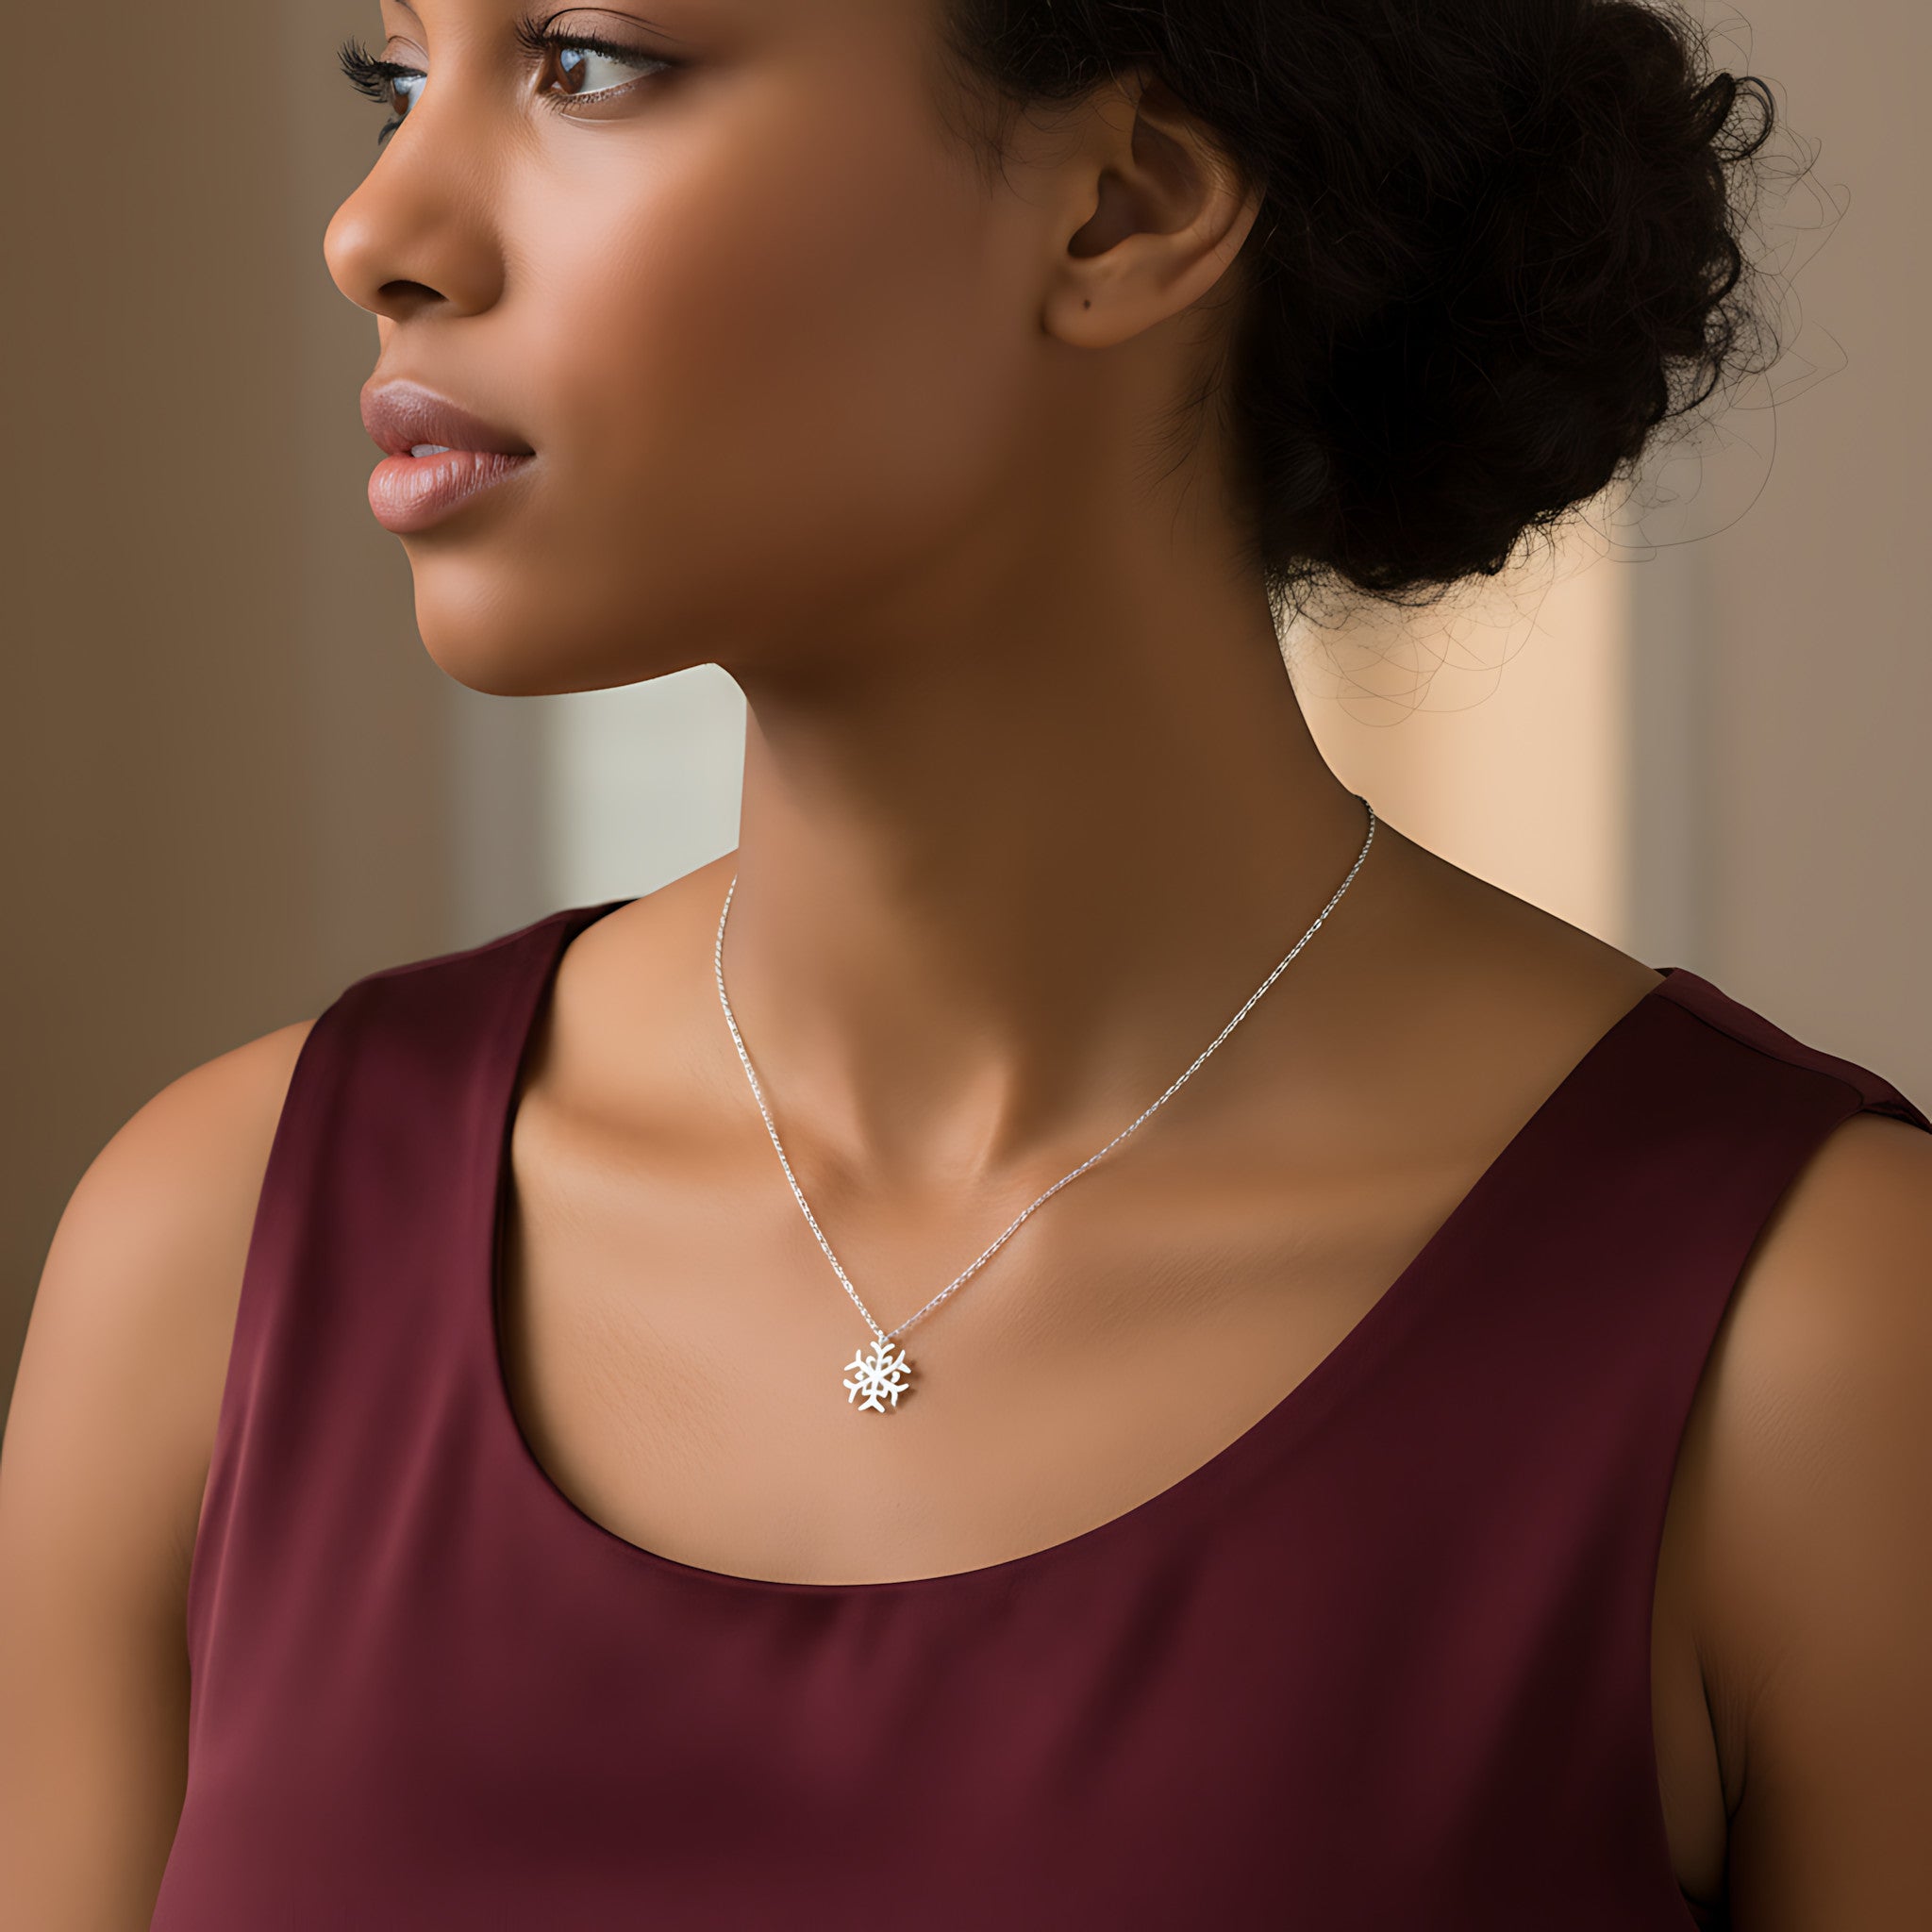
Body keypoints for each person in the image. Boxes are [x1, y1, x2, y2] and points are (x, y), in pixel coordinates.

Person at [3, 0, 1927, 1924]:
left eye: (585, 63)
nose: (376, 230)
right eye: (395, 76)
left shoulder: (1812, 1344)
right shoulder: (216, 1252)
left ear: (1120, 210)